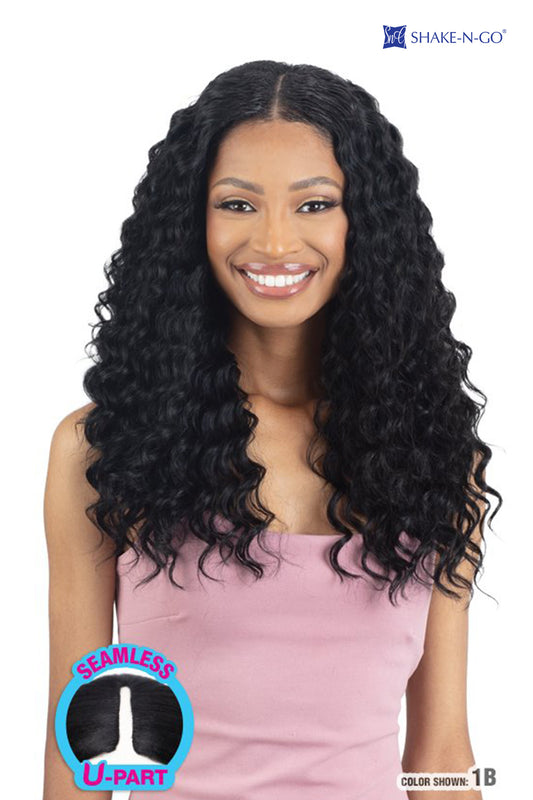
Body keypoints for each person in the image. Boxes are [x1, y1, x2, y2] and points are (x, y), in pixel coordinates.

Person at [43, 60, 502, 800]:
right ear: (191, 222)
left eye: (314, 204)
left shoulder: (437, 460)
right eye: (238, 204)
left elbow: (441, 751)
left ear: (365, 223)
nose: (277, 243)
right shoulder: (104, 449)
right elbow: (82, 752)